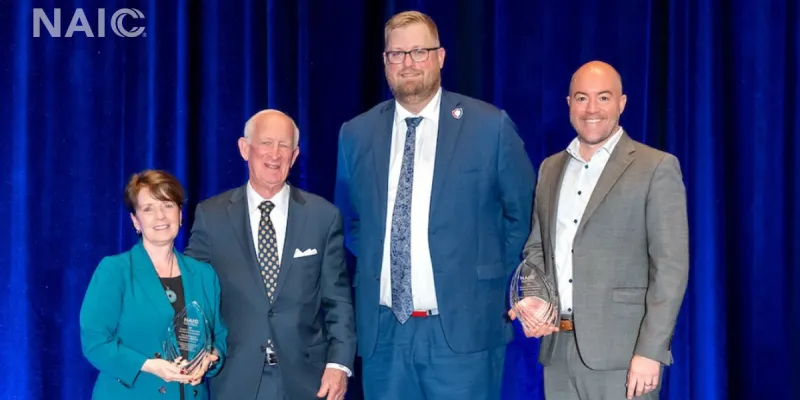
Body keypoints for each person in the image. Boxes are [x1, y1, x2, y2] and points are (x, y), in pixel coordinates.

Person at [334, 10, 535, 400]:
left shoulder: (489, 126)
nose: (408, 63)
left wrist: (482, 276)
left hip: (463, 333)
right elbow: (352, 222)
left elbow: (523, 216)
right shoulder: (356, 134)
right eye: (397, 54)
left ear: (440, 57)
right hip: (385, 334)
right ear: (385, 62)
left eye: (418, 52)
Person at [510, 60, 690, 399]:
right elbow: (537, 249)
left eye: (604, 98)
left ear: (622, 103)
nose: (592, 109)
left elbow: (671, 268)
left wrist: (651, 351)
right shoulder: (550, 168)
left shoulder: (656, 168)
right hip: (558, 351)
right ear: (568, 104)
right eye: (581, 98)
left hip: (624, 359)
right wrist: (533, 295)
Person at [184, 109, 356, 400]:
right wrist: (197, 348)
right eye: (266, 143)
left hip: (307, 380)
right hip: (235, 376)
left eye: (284, 145)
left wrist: (339, 363)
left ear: (295, 154)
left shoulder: (322, 216)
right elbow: (193, 294)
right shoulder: (211, 216)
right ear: (244, 148)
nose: (274, 154)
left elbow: (337, 300)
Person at [80, 169, 227, 400]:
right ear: (135, 221)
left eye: (168, 205)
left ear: (180, 214)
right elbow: (95, 343)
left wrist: (210, 359)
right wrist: (148, 365)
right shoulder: (115, 271)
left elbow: (219, 335)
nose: (160, 216)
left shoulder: (204, 274)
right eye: (148, 208)